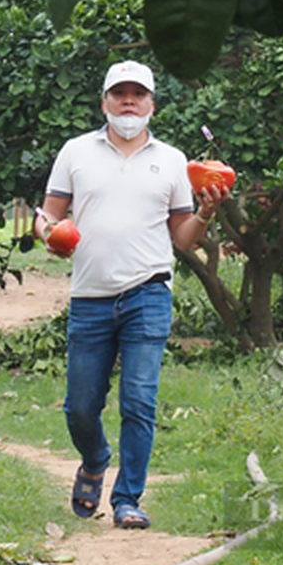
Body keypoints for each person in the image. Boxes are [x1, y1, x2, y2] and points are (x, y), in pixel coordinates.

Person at [33, 60, 230, 529]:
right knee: (80, 406)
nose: (128, 102)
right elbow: (49, 215)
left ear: (151, 105)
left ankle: (128, 499)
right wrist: (50, 235)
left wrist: (205, 214)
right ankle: (96, 459)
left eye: (137, 94)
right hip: (90, 296)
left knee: (139, 400)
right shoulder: (76, 152)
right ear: (104, 102)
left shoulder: (175, 161)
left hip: (148, 292)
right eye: (119, 93)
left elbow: (183, 237)